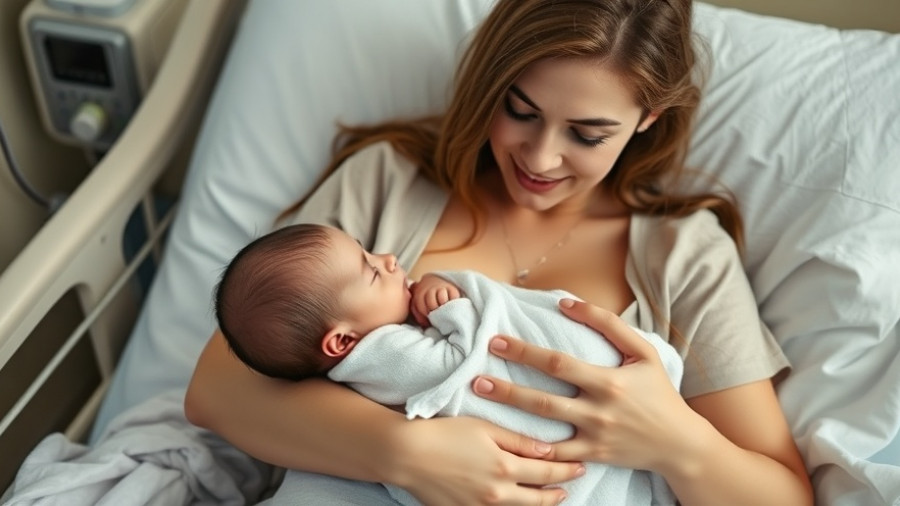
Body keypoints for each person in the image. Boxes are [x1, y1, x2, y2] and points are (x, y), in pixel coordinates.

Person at [185, 0, 815, 504]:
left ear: (648, 117)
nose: (540, 158)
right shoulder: (388, 184)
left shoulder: (683, 256)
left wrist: (679, 444)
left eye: (588, 134)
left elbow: (784, 495)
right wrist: (408, 455)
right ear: (491, 82)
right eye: (521, 110)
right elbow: (216, 390)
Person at [215, 222, 684, 505]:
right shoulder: (379, 356)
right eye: (372, 270)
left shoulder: (367, 333)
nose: (391, 258)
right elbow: (451, 366)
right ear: (341, 342)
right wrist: (454, 305)